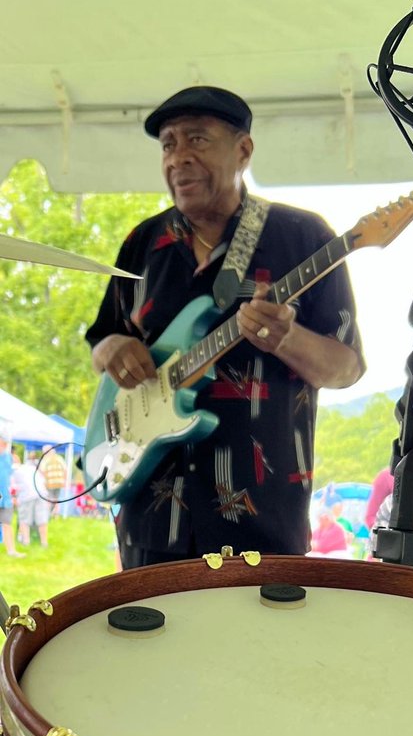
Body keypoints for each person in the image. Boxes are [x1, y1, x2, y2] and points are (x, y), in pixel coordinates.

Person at [85, 85, 365, 569]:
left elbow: (347, 367)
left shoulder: (305, 238)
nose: (179, 158)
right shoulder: (142, 243)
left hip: (260, 520)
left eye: (197, 139)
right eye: (169, 144)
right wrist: (111, 346)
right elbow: (102, 340)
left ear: (243, 150)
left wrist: (287, 338)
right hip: (151, 516)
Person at [11, 451, 50, 548]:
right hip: (41, 493)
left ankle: (26, 542)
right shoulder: (30, 467)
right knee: (42, 519)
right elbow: (43, 481)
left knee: (24, 519)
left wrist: (14, 499)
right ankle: (44, 543)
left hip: (26, 496)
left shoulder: (12, 470)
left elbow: (12, 488)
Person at [0, 429, 26, 557]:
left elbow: (11, 478)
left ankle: (11, 551)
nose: (3, 446)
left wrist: (14, 495)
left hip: (6, 498)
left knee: (7, 524)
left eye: (4, 444)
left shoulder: (8, 458)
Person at [40, 445, 68, 515]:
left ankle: (48, 514)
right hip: (59, 482)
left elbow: (42, 471)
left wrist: (43, 482)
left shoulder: (45, 459)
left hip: (49, 483)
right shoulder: (59, 458)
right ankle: (55, 514)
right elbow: (65, 470)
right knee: (56, 499)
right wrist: (64, 480)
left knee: (49, 499)